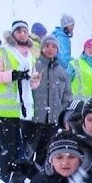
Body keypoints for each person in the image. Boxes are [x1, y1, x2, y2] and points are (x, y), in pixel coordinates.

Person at [0, 20, 41, 183]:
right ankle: (1, 181)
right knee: (7, 149)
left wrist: (35, 80)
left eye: (24, 31)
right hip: (2, 108)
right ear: (13, 34)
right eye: (18, 31)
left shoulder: (30, 55)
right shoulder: (2, 52)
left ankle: (9, 179)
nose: (22, 34)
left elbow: (30, 82)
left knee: (16, 149)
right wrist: (12, 75)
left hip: (20, 109)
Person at [29, 35, 72, 166]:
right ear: (42, 48)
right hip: (34, 118)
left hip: (53, 119)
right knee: (28, 149)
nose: (50, 49)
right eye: (47, 46)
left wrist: (60, 109)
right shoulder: (34, 66)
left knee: (45, 150)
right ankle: (19, 177)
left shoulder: (61, 71)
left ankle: (38, 176)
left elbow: (67, 94)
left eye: (54, 46)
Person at [53, 14, 76, 79]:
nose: (73, 27)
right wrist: (73, 63)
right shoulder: (61, 38)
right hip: (59, 71)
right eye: (71, 25)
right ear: (66, 25)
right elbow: (63, 58)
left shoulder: (61, 36)